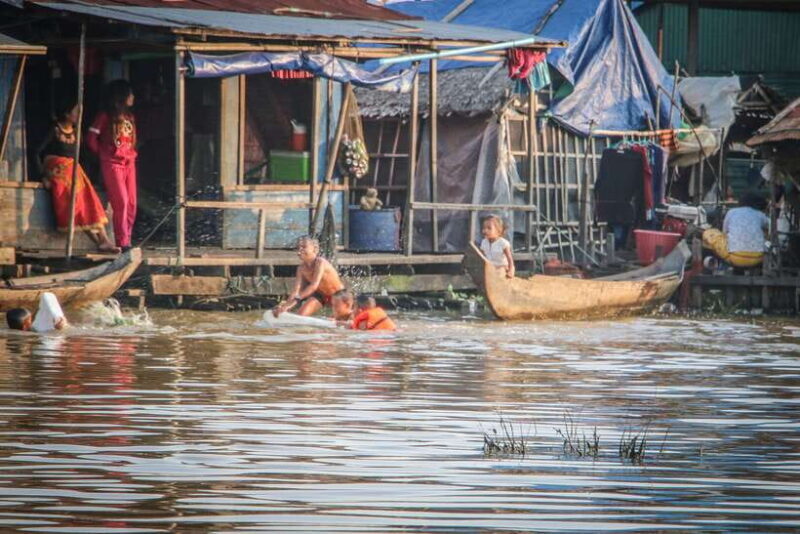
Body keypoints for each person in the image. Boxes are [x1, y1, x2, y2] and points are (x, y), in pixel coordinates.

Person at [37, 99, 119, 253]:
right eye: (76, 111)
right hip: (57, 171)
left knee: (87, 201)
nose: (79, 114)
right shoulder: (54, 129)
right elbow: (36, 152)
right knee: (76, 203)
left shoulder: (76, 132)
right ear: (67, 113)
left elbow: (82, 156)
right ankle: (101, 241)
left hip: (74, 172)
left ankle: (103, 241)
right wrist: (43, 176)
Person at [87, 79, 138, 251]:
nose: (133, 97)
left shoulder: (130, 117)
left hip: (129, 163)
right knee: (121, 202)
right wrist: (104, 155)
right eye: (130, 93)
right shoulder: (105, 116)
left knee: (131, 202)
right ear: (122, 96)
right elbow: (91, 138)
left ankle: (128, 239)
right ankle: (122, 241)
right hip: (113, 163)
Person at [274, 236, 345, 317]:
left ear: (315, 249)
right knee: (300, 316)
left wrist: (293, 302)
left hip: (338, 295)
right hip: (320, 296)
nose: (300, 250)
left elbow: (314, 286)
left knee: (341, 319)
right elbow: (296, 291)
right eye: (298, 247)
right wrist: (285, 306)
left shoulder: (320, 262)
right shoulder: (301, 269)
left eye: (304, 247)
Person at [702, 193, 769, 268]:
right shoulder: (760, 214)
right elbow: (770, 227)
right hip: (757, 258)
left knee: (708, 232)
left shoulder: (731, 212)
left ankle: (711, 265)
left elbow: (725, 233)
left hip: (735, 257)